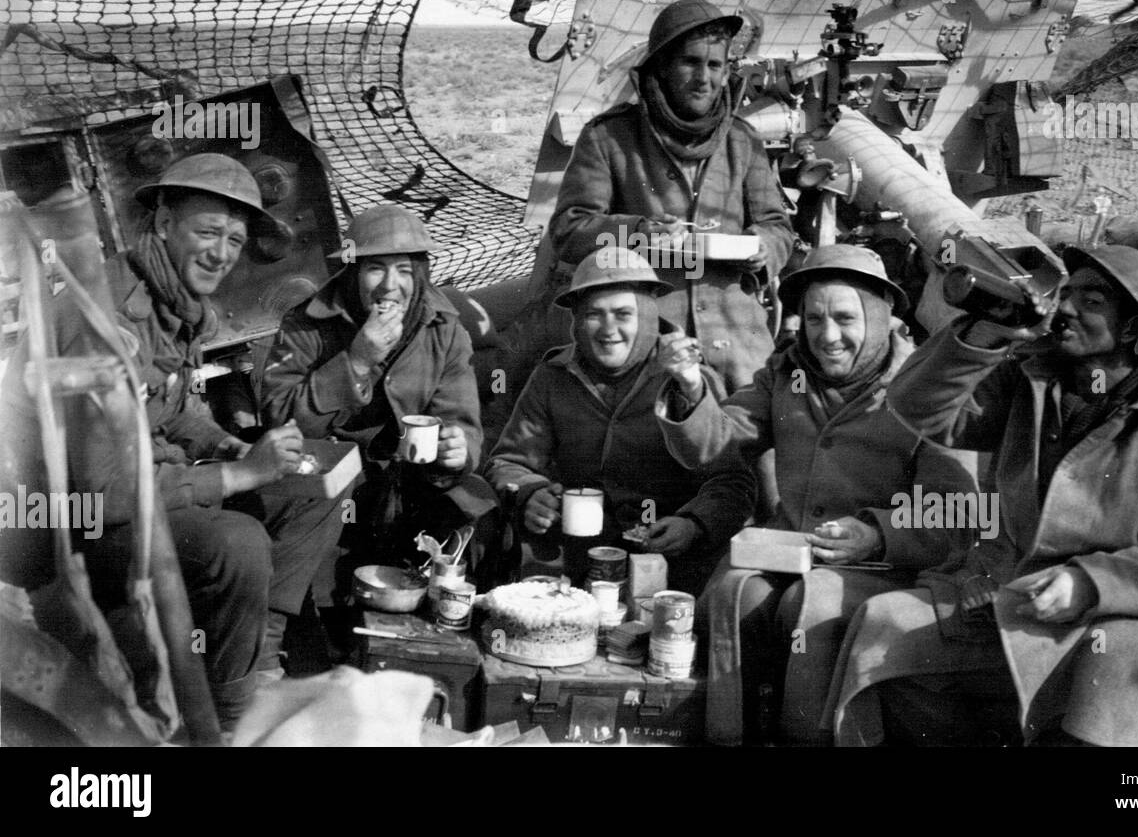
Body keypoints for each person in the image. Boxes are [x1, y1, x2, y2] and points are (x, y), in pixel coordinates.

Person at [827, 245, 1138, 747]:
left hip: (1116, 620)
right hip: (1015, 598)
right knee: (886, 626)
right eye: (1067, 294)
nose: (1065, 308)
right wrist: (987, 333)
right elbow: (921, 408)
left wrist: (1088, 583)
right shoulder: (1031, 382)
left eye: (1092, 301)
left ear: (1135, 329)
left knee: (1113, 662)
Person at [4, 153, 351, 730]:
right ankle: (227, 720)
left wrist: (229, 448)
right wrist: (239, 478)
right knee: (235, 543)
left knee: (313, 494)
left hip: (136, 488)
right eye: (208, 231)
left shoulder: (174, 303)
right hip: (64, 528)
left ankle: (254, 657)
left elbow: (167, 407)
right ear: (164, 223)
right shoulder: (102, 316)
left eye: (235, 241)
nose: (222, 253)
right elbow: (106, 493)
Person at [654, 244, 977, 745]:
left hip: (888, 566)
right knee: (736, 592)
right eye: (814, 319)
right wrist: (692, 386)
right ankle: (730, 738)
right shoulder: (788, 373)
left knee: (815, 606)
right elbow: (718, 443)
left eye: (846, 318)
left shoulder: (925, 389)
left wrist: (876, 534)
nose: (828, 337)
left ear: (880, 315)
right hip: (792, 550)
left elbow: (955, 512)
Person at [548, 0, 795, 396]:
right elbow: (569, 230)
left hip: (737, 336)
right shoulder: (609, 138)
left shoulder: (741, 140)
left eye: (715, 65)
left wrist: (763, 248)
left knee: (758, 439)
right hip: (646, 335)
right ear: (661, 67)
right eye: (690, 62)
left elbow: (778, 227)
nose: (704, 78)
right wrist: (640, 233)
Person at [257, 204, 496, 575]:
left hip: (411, 483)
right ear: (352, 274)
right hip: (333, 483)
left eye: (403, 270)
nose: (390, 285)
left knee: (477, 506)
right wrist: (356, 362)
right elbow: (279, 419)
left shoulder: (444, 328)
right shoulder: (307, 324)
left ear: (419, 276)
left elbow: (461, 421)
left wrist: (458, 449)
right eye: (374, 268)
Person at [485, 247, 732, 594]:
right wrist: (529, 494)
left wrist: (693, 524)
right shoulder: (552, 377)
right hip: (577, 556)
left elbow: (731, 481)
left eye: (623, 314)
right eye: (594, 315)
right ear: (577, 321)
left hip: (673, 563)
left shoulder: (689, 379)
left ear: (647, 317)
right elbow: (508, 461)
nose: (608, 330)